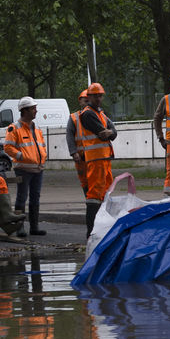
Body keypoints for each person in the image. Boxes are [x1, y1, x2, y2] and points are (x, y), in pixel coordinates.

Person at [76, 83, 118, 234]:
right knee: (94, 195)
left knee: (105, 193)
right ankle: (91, 232)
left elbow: (113, 132)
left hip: (104, 158)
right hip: (95, 159)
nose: (99, 98)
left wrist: (110, 132)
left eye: (100, 96)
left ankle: (101, 229)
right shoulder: (88, 114)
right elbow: (103, 134)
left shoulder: (100, 113)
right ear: (89, 97)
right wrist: (109, 132)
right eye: (95, 96)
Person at [4, 96, 48, 236]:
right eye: (33, 108)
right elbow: (8, 147)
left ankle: (34, 227)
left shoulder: (37, 128)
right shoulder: (14, 128)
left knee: (35, 198)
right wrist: (22, 156)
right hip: (23, 169)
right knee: (22, 197)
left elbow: (41, 145)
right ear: (24, 110)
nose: (36, 111)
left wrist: (43, 155)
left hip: (38, 168)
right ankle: (20, 228)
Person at [66, 85, 90, 197]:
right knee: (85, 181)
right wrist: (73, 152)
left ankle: (96, 203)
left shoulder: (99, 115)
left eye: (89, 101)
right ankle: (90, 202)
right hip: (81, 157)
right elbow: (69, 135)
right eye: (86, 101)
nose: (88, 103)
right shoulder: (74, 118)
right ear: (80, 102)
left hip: (95, 156)